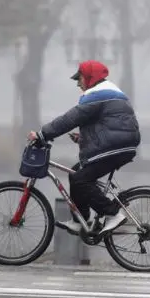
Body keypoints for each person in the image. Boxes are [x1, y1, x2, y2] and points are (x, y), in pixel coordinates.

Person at [28, 59, 140, 235]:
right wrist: (84, 138)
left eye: (79, 78)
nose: (78, 84)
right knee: (75, 174)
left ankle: (112, 213)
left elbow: (69, 119)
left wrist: (42, 135)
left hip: (116, 146)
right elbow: (110, 125)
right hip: (121, 143)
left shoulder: (97, 95)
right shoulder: (110, 92)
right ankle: (81, 220)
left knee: (81, 179)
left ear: (90, 77)